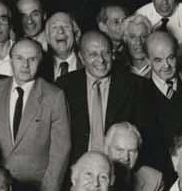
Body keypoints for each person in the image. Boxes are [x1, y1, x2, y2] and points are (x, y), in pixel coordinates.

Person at [0, 38, 71, 191]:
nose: (25, 65)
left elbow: (60, 151)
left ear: (40, 61)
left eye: (32, 59)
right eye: (19, 58)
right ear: (11, 60)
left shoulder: (54, 96)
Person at [61, 31, 142, 165]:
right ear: (81, 57)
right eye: (93, 54)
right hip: (76, 167)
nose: (101, 60)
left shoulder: (135, 86)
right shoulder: (65, 86)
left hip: (119, 168)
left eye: (106, 53)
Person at [140, 30, 182, 183]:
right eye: (158, 60)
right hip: (157, 178)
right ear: (147, 60)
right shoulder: (137, 89)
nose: (166, 66)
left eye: (171, 58)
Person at [105, 122, 165, 191]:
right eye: (119, 150)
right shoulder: (92, 177)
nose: (126, 158)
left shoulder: (153, 180)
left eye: (132, 151)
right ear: (106, 149)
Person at [39, 11, 82, 80]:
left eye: (66, 26)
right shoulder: (40, 68)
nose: (61, 31)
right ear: (47, 37)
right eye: (54, 27)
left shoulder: (86, 63)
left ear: (75, 33)